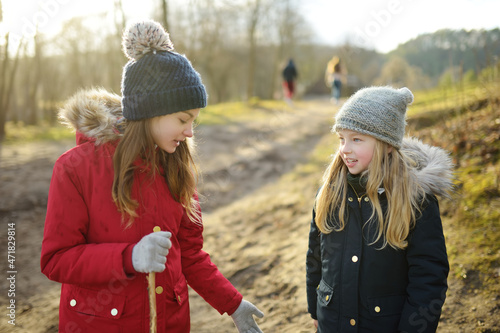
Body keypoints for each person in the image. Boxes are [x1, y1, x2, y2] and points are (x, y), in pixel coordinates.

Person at [40, 20, 264, 333]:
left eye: (193, 122)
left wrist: (233, 304)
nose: (189, 132)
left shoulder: (176, 167)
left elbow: (190, 254)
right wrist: (129, 258)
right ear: (151, 112)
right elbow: (56, 259)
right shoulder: (74, 169)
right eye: (183, 119)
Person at [306, 86, 453, 332]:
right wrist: (316, 307)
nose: (345, 149)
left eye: (357, 139)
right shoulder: (329, 194)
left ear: (386, 145)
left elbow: (429, 277)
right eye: (342, 138)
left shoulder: (415, 201)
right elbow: (315, 258)